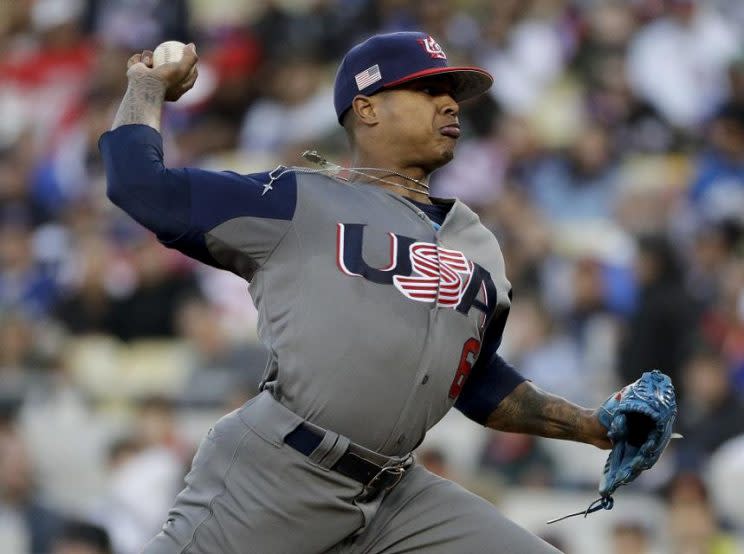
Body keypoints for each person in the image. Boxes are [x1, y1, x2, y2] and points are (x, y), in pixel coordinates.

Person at [100, 32, 615, 554]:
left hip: (395, 496)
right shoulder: (297, 199)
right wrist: (146, 88)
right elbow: (139, 185)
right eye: (426, 90)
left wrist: (592, 426)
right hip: (278, 475)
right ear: (366, 108)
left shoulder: (477, 242)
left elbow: (478, 382)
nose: (449, 103)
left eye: (451, 92)